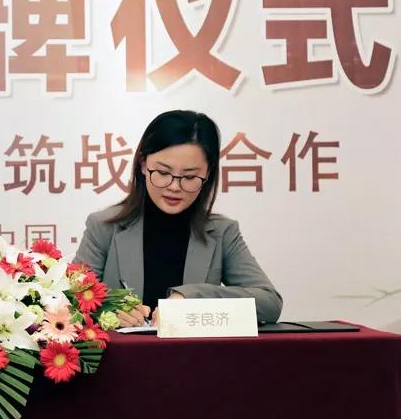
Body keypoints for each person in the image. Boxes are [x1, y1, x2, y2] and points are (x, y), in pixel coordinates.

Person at [75, 110, 282, 326]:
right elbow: (68, 304)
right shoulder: (104, 226)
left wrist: (191, 298)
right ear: (143, 164)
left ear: (208, 173)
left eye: (190, 176)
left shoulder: (222, 232)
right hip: (127, 349)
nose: (174, 187)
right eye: (163, 173)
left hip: (193, 349)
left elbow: (270, 303)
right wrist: (108, 311)